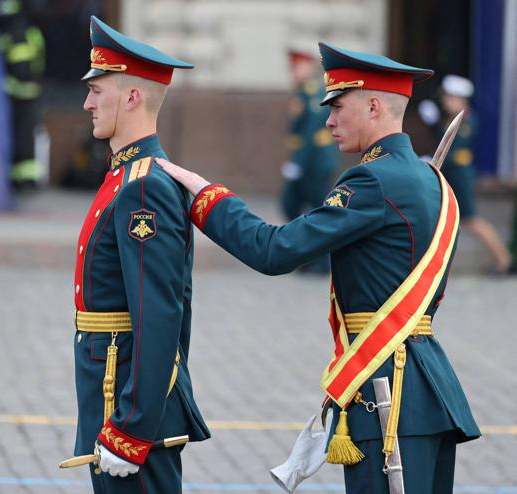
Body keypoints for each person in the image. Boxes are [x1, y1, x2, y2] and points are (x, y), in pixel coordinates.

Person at [157, 42, 480, 494]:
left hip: (387, 395)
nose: (327, 119)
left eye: (338, 106)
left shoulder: (370, 181)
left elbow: (274, 251)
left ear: (373, 105)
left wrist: (207, 196)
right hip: (429, 390)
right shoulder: (433, 182)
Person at [71, 16, 210, 493]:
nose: (87, 102)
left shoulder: (144, 186)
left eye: (98, 91)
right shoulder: (126, 175)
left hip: (130, 407)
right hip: (113, 394)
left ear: (132, 97)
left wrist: (131, 428)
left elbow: (159, 316)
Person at [418, 75, 512, 273]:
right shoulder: (454, 118)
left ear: (460, 99)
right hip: (452, 173)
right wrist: (433, 124)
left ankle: (504, 259)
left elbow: (453, 148)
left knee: (471, 219)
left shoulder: (466, 119)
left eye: (449, 98)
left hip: (459, 174)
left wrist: (431, 159)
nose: (445, 101)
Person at [280, 47, 341, 273]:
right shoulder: (301, 91)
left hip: (314, 162)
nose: (293, 72)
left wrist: (298, 162)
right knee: (290, 205)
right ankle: (307, 255)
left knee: (319, 211)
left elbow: (309, 132)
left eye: (298, 67)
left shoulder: (315, 92)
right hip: (303, 161)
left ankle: (323, 260)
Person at [0, 0, 46, 190]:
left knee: (21, 135)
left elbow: (21, 66)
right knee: (24, 135)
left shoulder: (16, 32)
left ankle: (23, 181)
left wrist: (4, 84)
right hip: (27, 91)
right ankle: (24, 179)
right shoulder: (26, 29)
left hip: (18, 92)